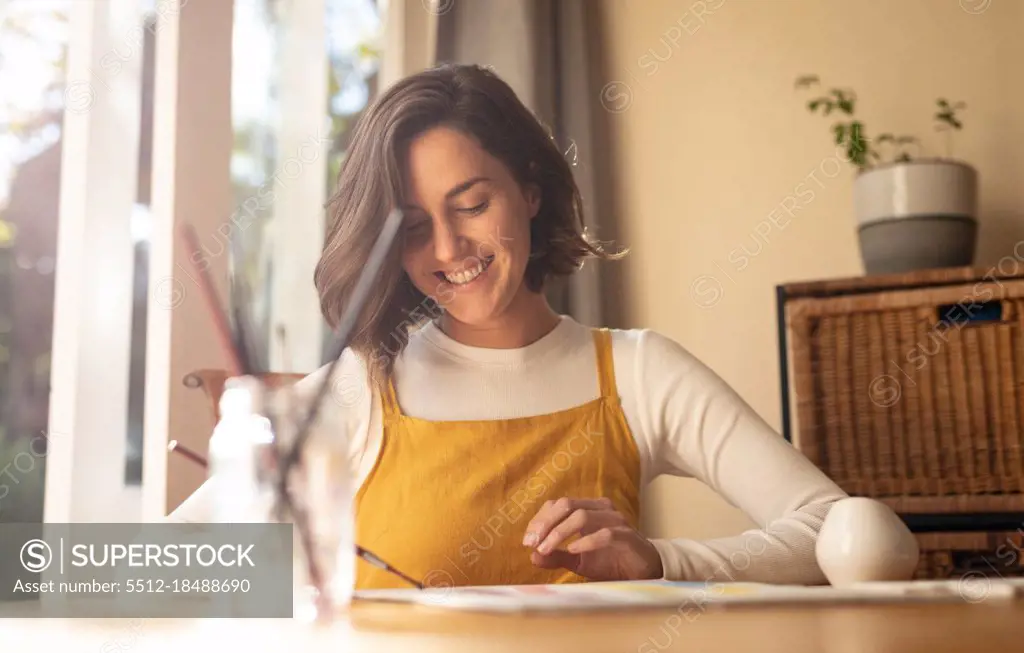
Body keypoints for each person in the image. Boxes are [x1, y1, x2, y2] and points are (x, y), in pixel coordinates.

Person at [170, 63, 847, 590]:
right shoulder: (356, 392)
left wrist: (660, 561)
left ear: (529, 190)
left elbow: (830, 529)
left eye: (470, 204)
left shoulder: (641, 374)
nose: (446, 250)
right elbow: (148, 572)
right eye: (411, 228)